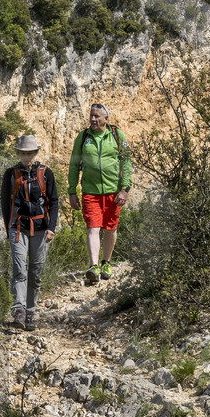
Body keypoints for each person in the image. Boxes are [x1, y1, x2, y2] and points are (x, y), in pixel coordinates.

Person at [66, 102, 132, 286]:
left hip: (113, 192)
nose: (93, 119)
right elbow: (73, 166)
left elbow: (126, 163)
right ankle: (93, 266)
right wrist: (72, 191)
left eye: (97, 116)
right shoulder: (83, 137)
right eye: (91, 116)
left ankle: (106, 262)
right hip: (90, 192)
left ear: (106, 118)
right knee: (93, 227)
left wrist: (125, 189)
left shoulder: (117, 136)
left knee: (110, 228)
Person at [0, 132, 59, 331]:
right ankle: (19, 310)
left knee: (35, 273)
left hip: (41, 229)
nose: (27, 157)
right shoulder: (10, 174)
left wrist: (52, 228)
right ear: (18, 153)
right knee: (19, 270)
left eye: (30, 153)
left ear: (35, 153)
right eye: (23, 153)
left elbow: (54, 201)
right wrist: (8, 228)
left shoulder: (46, 173)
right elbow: (5, 202)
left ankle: (31, 312)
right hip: (18, 228)